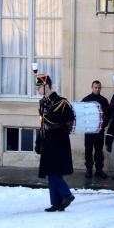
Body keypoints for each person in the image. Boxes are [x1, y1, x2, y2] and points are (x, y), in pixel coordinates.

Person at [35, 72, 76, 212]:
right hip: (48, 140)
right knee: (50, 172)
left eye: (39, 87)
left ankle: (66, 194)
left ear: (47, 86)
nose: (38, 90)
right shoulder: (43, 103)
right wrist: (38, 141)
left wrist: (55, 122)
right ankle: (56, 203)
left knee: (54, 171)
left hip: (59, 140)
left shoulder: (61, 102)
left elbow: (70, 120)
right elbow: (42, 124)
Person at [81, 80, 109, 178]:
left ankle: (99, 169)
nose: (97, 89)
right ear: (92, 88)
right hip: (89, 130)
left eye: (99, 88)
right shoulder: (86, 99)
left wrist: (103, 125)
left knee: (99, 150)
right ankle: (89, 169)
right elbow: (81, 114)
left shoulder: (104, 101)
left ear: (100, 88)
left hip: (99, 131)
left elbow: (108, 115)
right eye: (95, 87)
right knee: (88, 149)